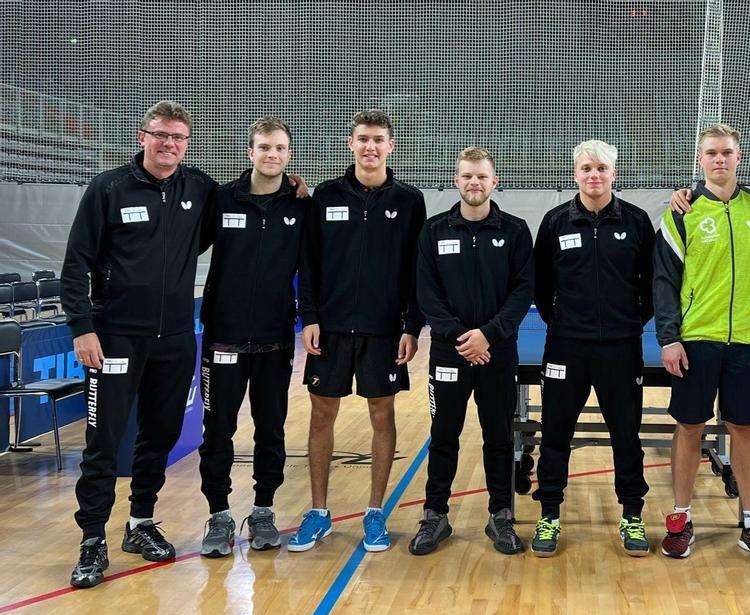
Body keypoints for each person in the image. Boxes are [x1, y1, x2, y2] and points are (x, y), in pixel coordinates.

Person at [62, 100, 217, 588]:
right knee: (104, 438)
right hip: (115, 337)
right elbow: (76, 263)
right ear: (141, 137)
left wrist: (294, 184)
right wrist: (83, 328)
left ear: (187, 144)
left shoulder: (198, 189)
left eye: (179, 137)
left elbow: (245, 199)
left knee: (161, 433)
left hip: (174, 338)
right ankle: (91, 540)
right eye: (161, 135)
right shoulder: (108, 188)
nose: (170, 144)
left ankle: (140, 522)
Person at [289, 110, 425, 554]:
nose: (371, 146)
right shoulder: (325, 197)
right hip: (329, 331)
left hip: (383, 333)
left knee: (382, 416)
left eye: (379, 140)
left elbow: (414, 270)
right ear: (350, 144)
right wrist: (309, 317)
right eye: (363, 138)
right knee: (321, 416)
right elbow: (307, 263)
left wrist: (411, 325)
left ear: (391, 147)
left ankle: (374, 512)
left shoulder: (409, 200)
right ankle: (319, 511)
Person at [654, 123, 750, 564]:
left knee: (745, 429)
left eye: (727, 152)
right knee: (690, 426)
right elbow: (665, 282)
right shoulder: (681, 212)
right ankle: (680, 516)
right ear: (700, 160)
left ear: (739, 157)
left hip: (747, 339)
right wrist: (669, 338)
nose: (719, 159)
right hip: (697, 339)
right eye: (711, 153)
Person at [528, 139, 655, 557]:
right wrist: (565, 324)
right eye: (586, 168)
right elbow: (541, 288)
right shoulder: (554, 222)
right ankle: (549, 515)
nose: (594, 175)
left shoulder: (636, 223)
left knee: (626, 435)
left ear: (615, 174)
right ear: (575, 175)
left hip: (621, 349)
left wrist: (629, 324)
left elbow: (650, 285)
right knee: (555, 435)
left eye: (601, 168)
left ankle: (632, 515)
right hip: (566, 347)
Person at [409, 147, 532, 555]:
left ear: (495, 181)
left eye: (481, 176)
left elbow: (522, 292)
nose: (474, 183)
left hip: (497, 354)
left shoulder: (515, 231)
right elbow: (427, 294)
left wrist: (489, 336)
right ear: (457, 181)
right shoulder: (433, 231)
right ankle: (434, 515)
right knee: (443, 435)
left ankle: (500, 516)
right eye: (466, 176)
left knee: (498, 437)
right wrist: (462, 337)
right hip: (449, 354)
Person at [197, 116, 306, 556]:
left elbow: (312, 269)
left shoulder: (301, 205)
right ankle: (219, 515)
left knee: (271, 430)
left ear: (289, 155)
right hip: (222, 339)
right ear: (250, 153)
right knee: (217, 429)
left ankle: (263, 509)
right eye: (263, 147)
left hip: (274, 340)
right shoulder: (220, 200)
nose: (271, 154)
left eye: (279, 148)